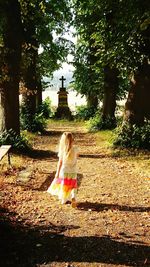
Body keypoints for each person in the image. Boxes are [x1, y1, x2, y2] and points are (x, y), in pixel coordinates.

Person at [47, 132, 78, 207]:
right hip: (73, 171)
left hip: (64, 170)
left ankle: (64, 199)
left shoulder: (62, 151)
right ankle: (73, 197)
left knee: (65, 184)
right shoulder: (76, 149)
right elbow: (76, 158)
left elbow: (60, 163)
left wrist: (57, 173)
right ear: (72, 140)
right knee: (73, 184)